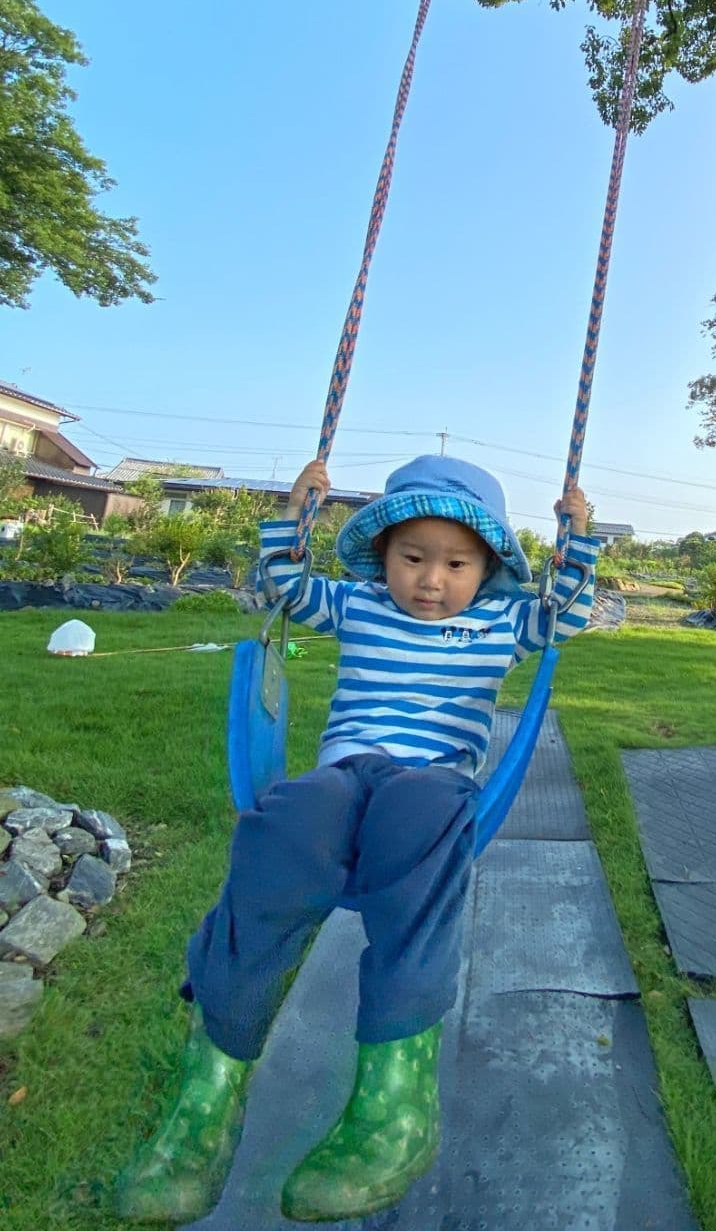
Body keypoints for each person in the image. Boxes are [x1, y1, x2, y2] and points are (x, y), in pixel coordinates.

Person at [115, 454, 598, 1224]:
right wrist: (294, 516)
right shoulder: (361, 607)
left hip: (434, 776)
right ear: (383, 557)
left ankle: (393, 1106)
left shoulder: (506, 622)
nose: (430, 581)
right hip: (347, 771)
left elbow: (565, 614)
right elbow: (288, 590)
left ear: (489, 568)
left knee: (419, 821)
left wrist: (578, 538)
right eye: (412, 558)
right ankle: (206, 1097)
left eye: (455, 563)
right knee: (286, 824)